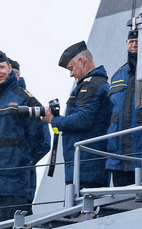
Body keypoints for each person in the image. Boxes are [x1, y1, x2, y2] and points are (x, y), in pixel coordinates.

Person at [0, 50, 51, 229]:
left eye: (1, 67)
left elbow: (41, 141)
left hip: (13, 186)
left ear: (9, 68)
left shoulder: (24, 98)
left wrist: (20, 164)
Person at [43, 41, 111, 188]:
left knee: (82, 208)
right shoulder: (91, 84)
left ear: (81, 61)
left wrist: (53, 120)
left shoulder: (91, 85)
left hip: (87, 166)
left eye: (71, 68)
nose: (71, 74)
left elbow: (83, 119)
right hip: (83, 165)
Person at [106, 28, 142, 186]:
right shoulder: (118, 76)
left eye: (138, 42)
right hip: (118, 158)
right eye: (131, 42)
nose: (134, 45)